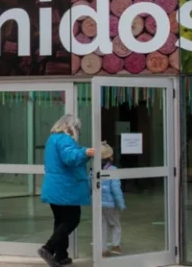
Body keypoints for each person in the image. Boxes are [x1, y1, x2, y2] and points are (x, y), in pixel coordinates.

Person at [38, 114, 96, 267]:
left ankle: (61, 256)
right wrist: (85, 152)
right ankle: (48, 248)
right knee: (72, 219)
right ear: (68, 126)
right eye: (76, 127)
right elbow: (69, 157)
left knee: (60, 222)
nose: (77, 131)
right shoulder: (64, 139)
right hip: (65, 188)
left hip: (54, 188)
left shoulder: (52, 139)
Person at [100, 141, 126, 256]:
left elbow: (91, 185)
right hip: (111, 205)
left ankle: (103, 249)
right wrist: (121, 204)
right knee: (115, 224)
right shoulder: (113, 170)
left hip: (99, 204)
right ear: (110, 157)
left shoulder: (94, 170)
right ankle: (116, 246)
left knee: (102, 226)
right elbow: (116, 189)